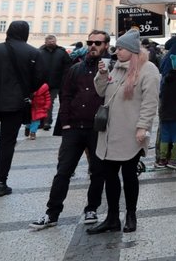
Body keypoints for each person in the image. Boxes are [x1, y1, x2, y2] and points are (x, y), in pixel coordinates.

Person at [29, 30, 110, 231]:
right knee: (63, 171)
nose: (93, 46)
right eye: (90, 42)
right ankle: (52, 213)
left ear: (106, 45)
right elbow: (65, 95)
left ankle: (92, 208)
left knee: (97, 171)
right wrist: (65, 123)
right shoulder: (75, 69)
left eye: (98, 43)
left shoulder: (110, 69)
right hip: (73, 127)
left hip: (96, 127)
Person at [87, 29, 159, 235]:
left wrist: (142, 127)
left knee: (129, 176)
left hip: (130, 133)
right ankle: (111, 217)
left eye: (120, 48)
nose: (115, 51)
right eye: (116, 48)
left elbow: (150, 103)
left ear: (131, 50)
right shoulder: (115, 67)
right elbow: (102, 92)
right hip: (109, 134)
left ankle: (130, 214)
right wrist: (101, 75)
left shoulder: (148, 70)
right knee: (109, 176)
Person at [0, 20, 45, 196]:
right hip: (15, 104)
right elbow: (39, 78)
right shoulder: (33, 52)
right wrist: (27, 91)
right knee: (7, 143)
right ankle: (1, 182)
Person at [38, 35, 71, 130]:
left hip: (57, 83)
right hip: (42, 83)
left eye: (52, 40)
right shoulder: (40, 52)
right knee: (42, 102)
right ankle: (42, 121)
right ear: (45, 42)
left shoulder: (62, 52)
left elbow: (68, 66)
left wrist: (65, 79)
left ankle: (47, 122)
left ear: (56, 41)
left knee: (50, 102)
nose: (51, 42)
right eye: (49, 40)